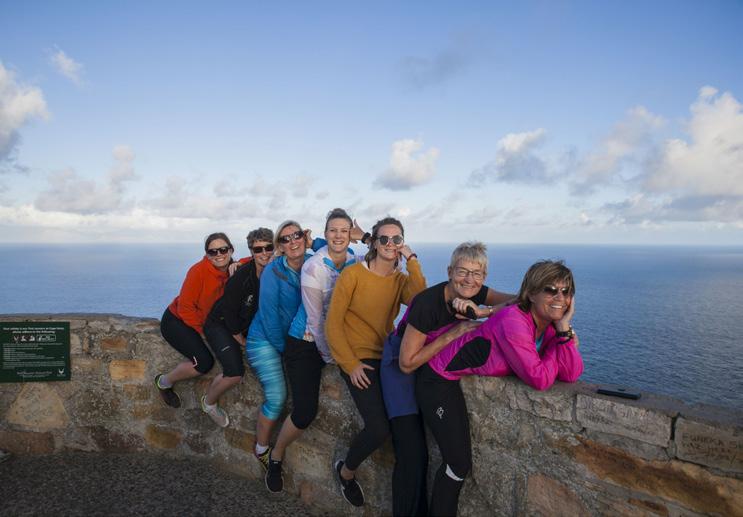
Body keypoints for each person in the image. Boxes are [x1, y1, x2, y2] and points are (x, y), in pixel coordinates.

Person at [414, 259, 583, 516]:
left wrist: (562, 330)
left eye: (566, 291)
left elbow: (570, 374)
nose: (560, 297)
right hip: (435, 379)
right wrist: (563, 342)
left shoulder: (548, 322)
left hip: (452, 380)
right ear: (531, 293)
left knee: (458, 463)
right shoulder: (513, 320)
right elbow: (539, 378)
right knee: (458, 463)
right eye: (551, 290)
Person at [385, 241, 514, 517]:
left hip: (431, 369)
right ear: (449, 271)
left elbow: (515, 302)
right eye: (462, 271)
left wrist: (484, 312)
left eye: (477, 273)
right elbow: (407, 363)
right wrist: (454, 334)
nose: (469, 279)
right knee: (412, 452)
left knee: (443, 456)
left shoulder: (475, 293)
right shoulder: (427, 304)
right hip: (400, 365)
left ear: (484, 277)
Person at [325, 216, 426, 508]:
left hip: (386, 358)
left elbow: (420, 299)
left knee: (403, 427)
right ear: (375, 242)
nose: (390, 244)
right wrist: (350, 364)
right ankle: (346, 472)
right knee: (379, 427)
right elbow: (333, 324)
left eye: (397, 240)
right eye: (385, 239)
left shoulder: (400, 281)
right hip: (358, 357)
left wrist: (413, 260)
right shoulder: (353, 275)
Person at [265, 208, 360, 493]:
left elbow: (384, 260)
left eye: (344, 230)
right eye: (333, 230)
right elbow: (316, 320)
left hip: (335, 340)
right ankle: (276, 456)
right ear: (325, 232)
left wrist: (365, 236)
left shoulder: (355, 261)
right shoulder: (314, 267)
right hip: (306, 343)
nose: (339, 235)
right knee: (305, 412)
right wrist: (330, 356)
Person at [199, 227, 275, 427]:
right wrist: (241, 340)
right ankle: (209, 403)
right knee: (234, 372)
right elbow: (230, 313)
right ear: (251, 252)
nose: (264, 253)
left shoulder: (274, 271)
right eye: (258, 250)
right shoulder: (241, 277)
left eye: (269, 247)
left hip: (244, 324)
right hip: (220, 325)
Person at [154, 233, 235, 411]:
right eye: (213, 252)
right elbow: (185, 309)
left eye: (223, 249)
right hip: (177, 320)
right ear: (207, 254)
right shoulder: (198, 271)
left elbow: (257, 258)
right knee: (204, 363)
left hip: (199, 320)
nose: (219, 254)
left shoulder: (234, 268)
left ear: (231, 250)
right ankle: (164, 382)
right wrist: (206, 332)